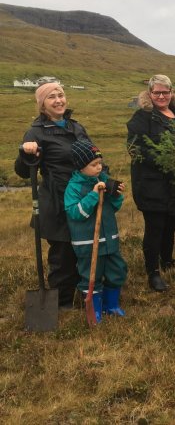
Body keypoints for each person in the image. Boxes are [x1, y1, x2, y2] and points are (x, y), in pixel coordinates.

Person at [15, 82, 91, 308]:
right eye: (51, 97)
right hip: (57, 201)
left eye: (61, 95)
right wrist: (25, 153)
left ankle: (84, 292)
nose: (58, 100)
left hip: (82, 198)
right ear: (42, 104)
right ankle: (62, 302)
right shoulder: (36, 132)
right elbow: (22, 171)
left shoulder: (76, 127)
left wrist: (106, 179)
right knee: (63, 255)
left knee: (82, 247)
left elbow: (93, 156)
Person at [127, 74, 175, 292]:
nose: (161, 96)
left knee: (171, 224)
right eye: (157, 92)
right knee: (155, 227)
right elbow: (135, 149)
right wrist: (165, 160)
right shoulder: (142, 118)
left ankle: (167, 260)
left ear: (172, 93)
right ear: (150, 93)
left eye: (165, 92)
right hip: (152, 184)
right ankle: (153, 272)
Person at [64, 139, 127, 322]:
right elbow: (76, 213)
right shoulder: (73, 188)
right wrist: (93, 195)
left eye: (100, 163)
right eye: (93, 165)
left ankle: (112, 305)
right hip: (88, 243)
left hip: (109, 240)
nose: (99, 167)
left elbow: (112, 208)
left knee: (117, 270)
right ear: (81, 166)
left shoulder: (103, 181)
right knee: (91, 275)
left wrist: (115, 195)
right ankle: (95, 309)